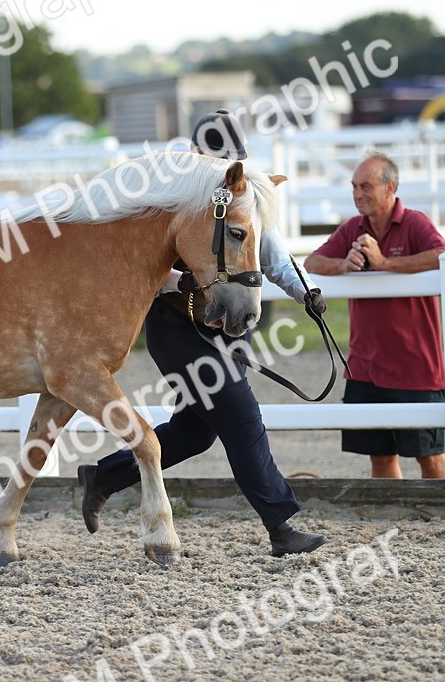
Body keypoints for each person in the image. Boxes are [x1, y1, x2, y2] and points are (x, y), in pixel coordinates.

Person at [77, 110, 328, 557]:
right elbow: (134, 265)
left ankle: (105, 476)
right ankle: (281, 526)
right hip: (177, 329)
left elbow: (270, 255)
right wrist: (180, 281)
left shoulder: (241, 195)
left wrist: (305, 291)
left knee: (195, 433)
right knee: (241, 416)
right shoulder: (164, 198)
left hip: (228, 326)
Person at [304, 152, 445, 479]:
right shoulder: (352, 228)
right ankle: (392, 509)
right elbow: (312, 263)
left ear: (390, 188)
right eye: (354, 187)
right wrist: (343, 265)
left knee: (429, 457)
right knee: (380, 458)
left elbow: (443, 255)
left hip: (414, 367)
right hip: (364, 366)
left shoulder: (415, 223)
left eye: (366, 186)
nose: (358, 194)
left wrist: (384, 264)